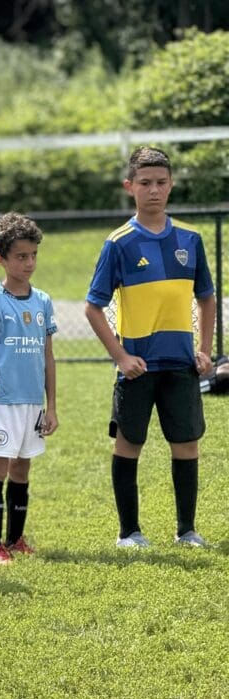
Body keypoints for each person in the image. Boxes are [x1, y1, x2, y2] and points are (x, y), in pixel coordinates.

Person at [84, 146, 216, 548]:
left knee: (186, 444)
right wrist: (121, 357)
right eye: (145, 183)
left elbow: (206, 297)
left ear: (171, 185)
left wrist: (204, 348)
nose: (154, 190)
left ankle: (186, 530)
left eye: (161, 182)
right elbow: (93, 307)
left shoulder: (190, 239)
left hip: (181, 365)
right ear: (130, 187)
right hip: (137, 367)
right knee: (129, 443)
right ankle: (129, 533)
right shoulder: (118, 243)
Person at [0, 212, 58, 563]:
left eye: (33, 255)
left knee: (22, 468)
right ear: (1, 259)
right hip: (2, 401)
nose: (29, 263)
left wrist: (51, 407)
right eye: (21, 256)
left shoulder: (43, 301)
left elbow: (48, 357)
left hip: (32, 402)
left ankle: (15, 539)